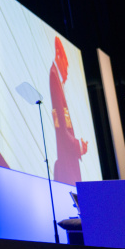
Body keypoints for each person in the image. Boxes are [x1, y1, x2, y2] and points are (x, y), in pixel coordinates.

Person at [50, 37, 88, 185]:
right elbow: (61, 127)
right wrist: (78, 145)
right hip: (67, 163)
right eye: (66, 67)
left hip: (68, 161)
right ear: (59, 55)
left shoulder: (56, 79)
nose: (66, 72)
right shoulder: (54, 77)